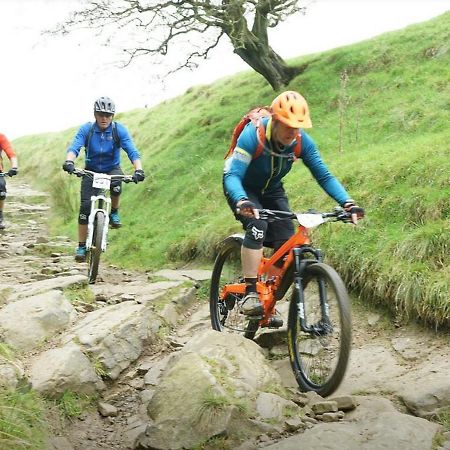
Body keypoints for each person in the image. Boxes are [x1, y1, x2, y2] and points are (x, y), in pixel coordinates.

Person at [223, 90, 364, 324]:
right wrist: (241, 199)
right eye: (288, 126)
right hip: (243, 187)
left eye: (298, 127)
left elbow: (324, 176)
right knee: (258, 225)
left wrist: (347, 203)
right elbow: (233, 175)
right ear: (275, 121)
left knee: (287, 243)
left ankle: (267, 297)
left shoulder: (300, 142)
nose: (293, 132)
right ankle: (250, 293)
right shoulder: (253, 136)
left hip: (272, 190)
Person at [62, 96, 145, 262]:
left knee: (116, 186)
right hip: (91, 170)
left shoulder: (119, 130)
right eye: (101, 114)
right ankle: (80, 246)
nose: (104, 118)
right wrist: (69, 160)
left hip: (112, 168)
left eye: (108, 115)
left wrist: (139, 169)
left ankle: (114, 212)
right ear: (95, 115)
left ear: (113, 116)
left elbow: (132, 151)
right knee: (85, 208)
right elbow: (75, 147)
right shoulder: (87, 129)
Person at [0, 133, 19, 230]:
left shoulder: (1, 137)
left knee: (1, 191)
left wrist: (14, 167)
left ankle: (0, 216)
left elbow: (11, 153)